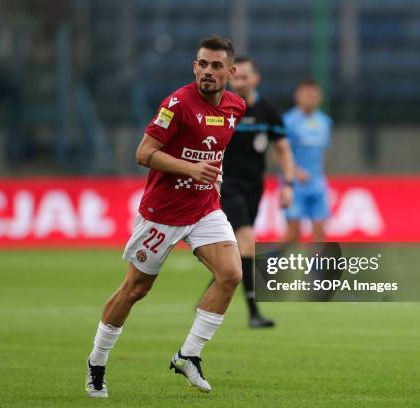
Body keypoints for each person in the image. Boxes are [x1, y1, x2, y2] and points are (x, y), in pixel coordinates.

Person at [85, 35, 246, 398]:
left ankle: (188, 355)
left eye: (216, 66)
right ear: (194, 66)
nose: (207, 71)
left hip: (204, 208)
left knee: (231, 273)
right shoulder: (177, 104)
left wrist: (211, 179)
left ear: (229, 72)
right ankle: (97, 361)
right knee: (135, 289)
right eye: (202, 64)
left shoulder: (236, 107)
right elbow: (144, 153)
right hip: (162, 214)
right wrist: (192, 169)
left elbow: (213, 153)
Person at [218, 56, 295, 328]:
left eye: (245, 77)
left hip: (255, 186)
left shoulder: (268, 110)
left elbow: (282, 149)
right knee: (248, 239)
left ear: (255, 78)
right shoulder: (220, 109)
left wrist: (287, 184)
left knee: (239, 245)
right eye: (235, 77)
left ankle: (212, 292)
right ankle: (253, 312)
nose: (240, 82)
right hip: (227, 184)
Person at [283, 78, 332, 242]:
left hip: (317, 183)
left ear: (320, 97)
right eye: (307, 93)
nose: (310, 97)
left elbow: (323, 151)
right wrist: (296, 172)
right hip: (295, 185)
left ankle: (316, 269)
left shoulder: (324, 122)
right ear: (298, 96)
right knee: (293, 234)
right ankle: (266, 265)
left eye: (314, 94)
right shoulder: (288, 121)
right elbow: (280, 153)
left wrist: (320, 174)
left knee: (320, 233)